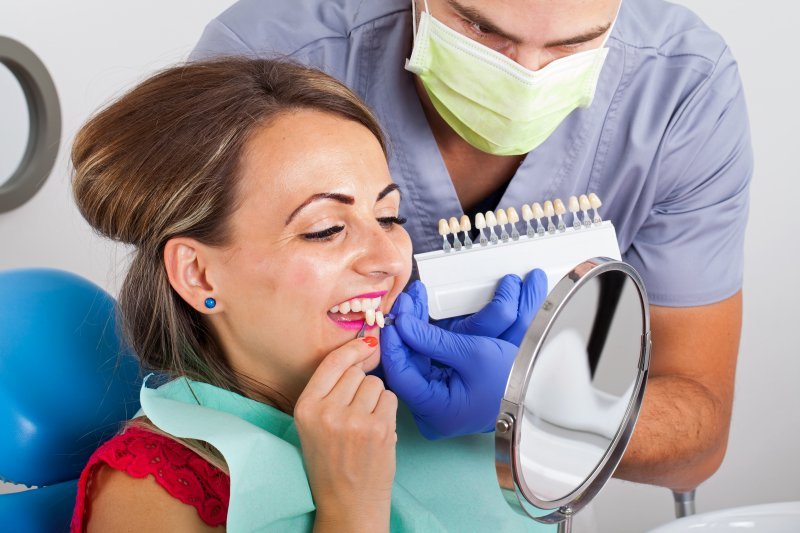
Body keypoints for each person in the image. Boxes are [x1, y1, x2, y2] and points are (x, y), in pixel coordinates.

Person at [191, 0, 752, 492]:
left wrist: (540, 407)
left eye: (574, 44)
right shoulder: (269, 58)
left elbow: (698, 441)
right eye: (483, 30)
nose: (526, 75)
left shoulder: (681, 87)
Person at [69, 57, 547, 531]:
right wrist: (350, 506)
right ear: (199, 275)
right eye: (326, 229)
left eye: (388, 218)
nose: (388, 258)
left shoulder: (424, 405)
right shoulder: (149, 493)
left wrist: (531, 424)